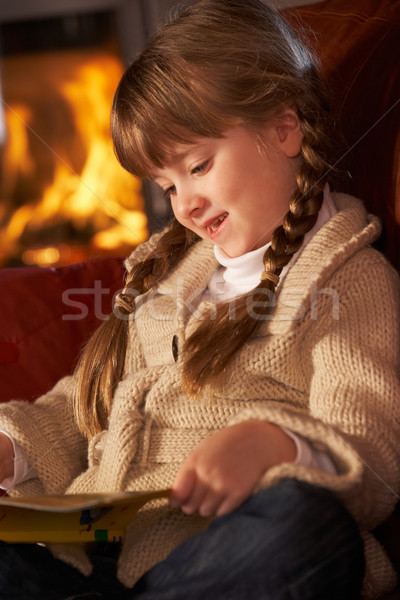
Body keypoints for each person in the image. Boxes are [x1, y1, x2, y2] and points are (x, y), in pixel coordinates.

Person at [0, 0, 399, 598]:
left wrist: (275, 443)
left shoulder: (348, 279)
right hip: (98, 546)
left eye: (200, 165)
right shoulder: (170, 276)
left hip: (217, 550)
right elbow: (82, 410)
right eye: (167, 186)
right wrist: (11, 449)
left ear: (283, 129)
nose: (182, 204)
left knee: (307, 530)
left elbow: (372, 451)